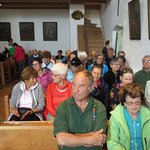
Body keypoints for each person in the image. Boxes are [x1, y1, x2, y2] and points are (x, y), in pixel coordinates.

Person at [54, 70, 107, 150]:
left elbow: (99, 140)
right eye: (74, 85)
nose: (76, 90)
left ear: (91, 87)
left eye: (81, 86)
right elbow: (61, 139)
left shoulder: (99, 107)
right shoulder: (63, 107)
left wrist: (71, 137)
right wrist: (91, 138)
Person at [107, 83, 150, 150]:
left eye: (137, 102)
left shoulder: (148, 116)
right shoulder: (116, 117)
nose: (134, 106)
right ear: (124, 103)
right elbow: (112, 142)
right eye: (130, 103)